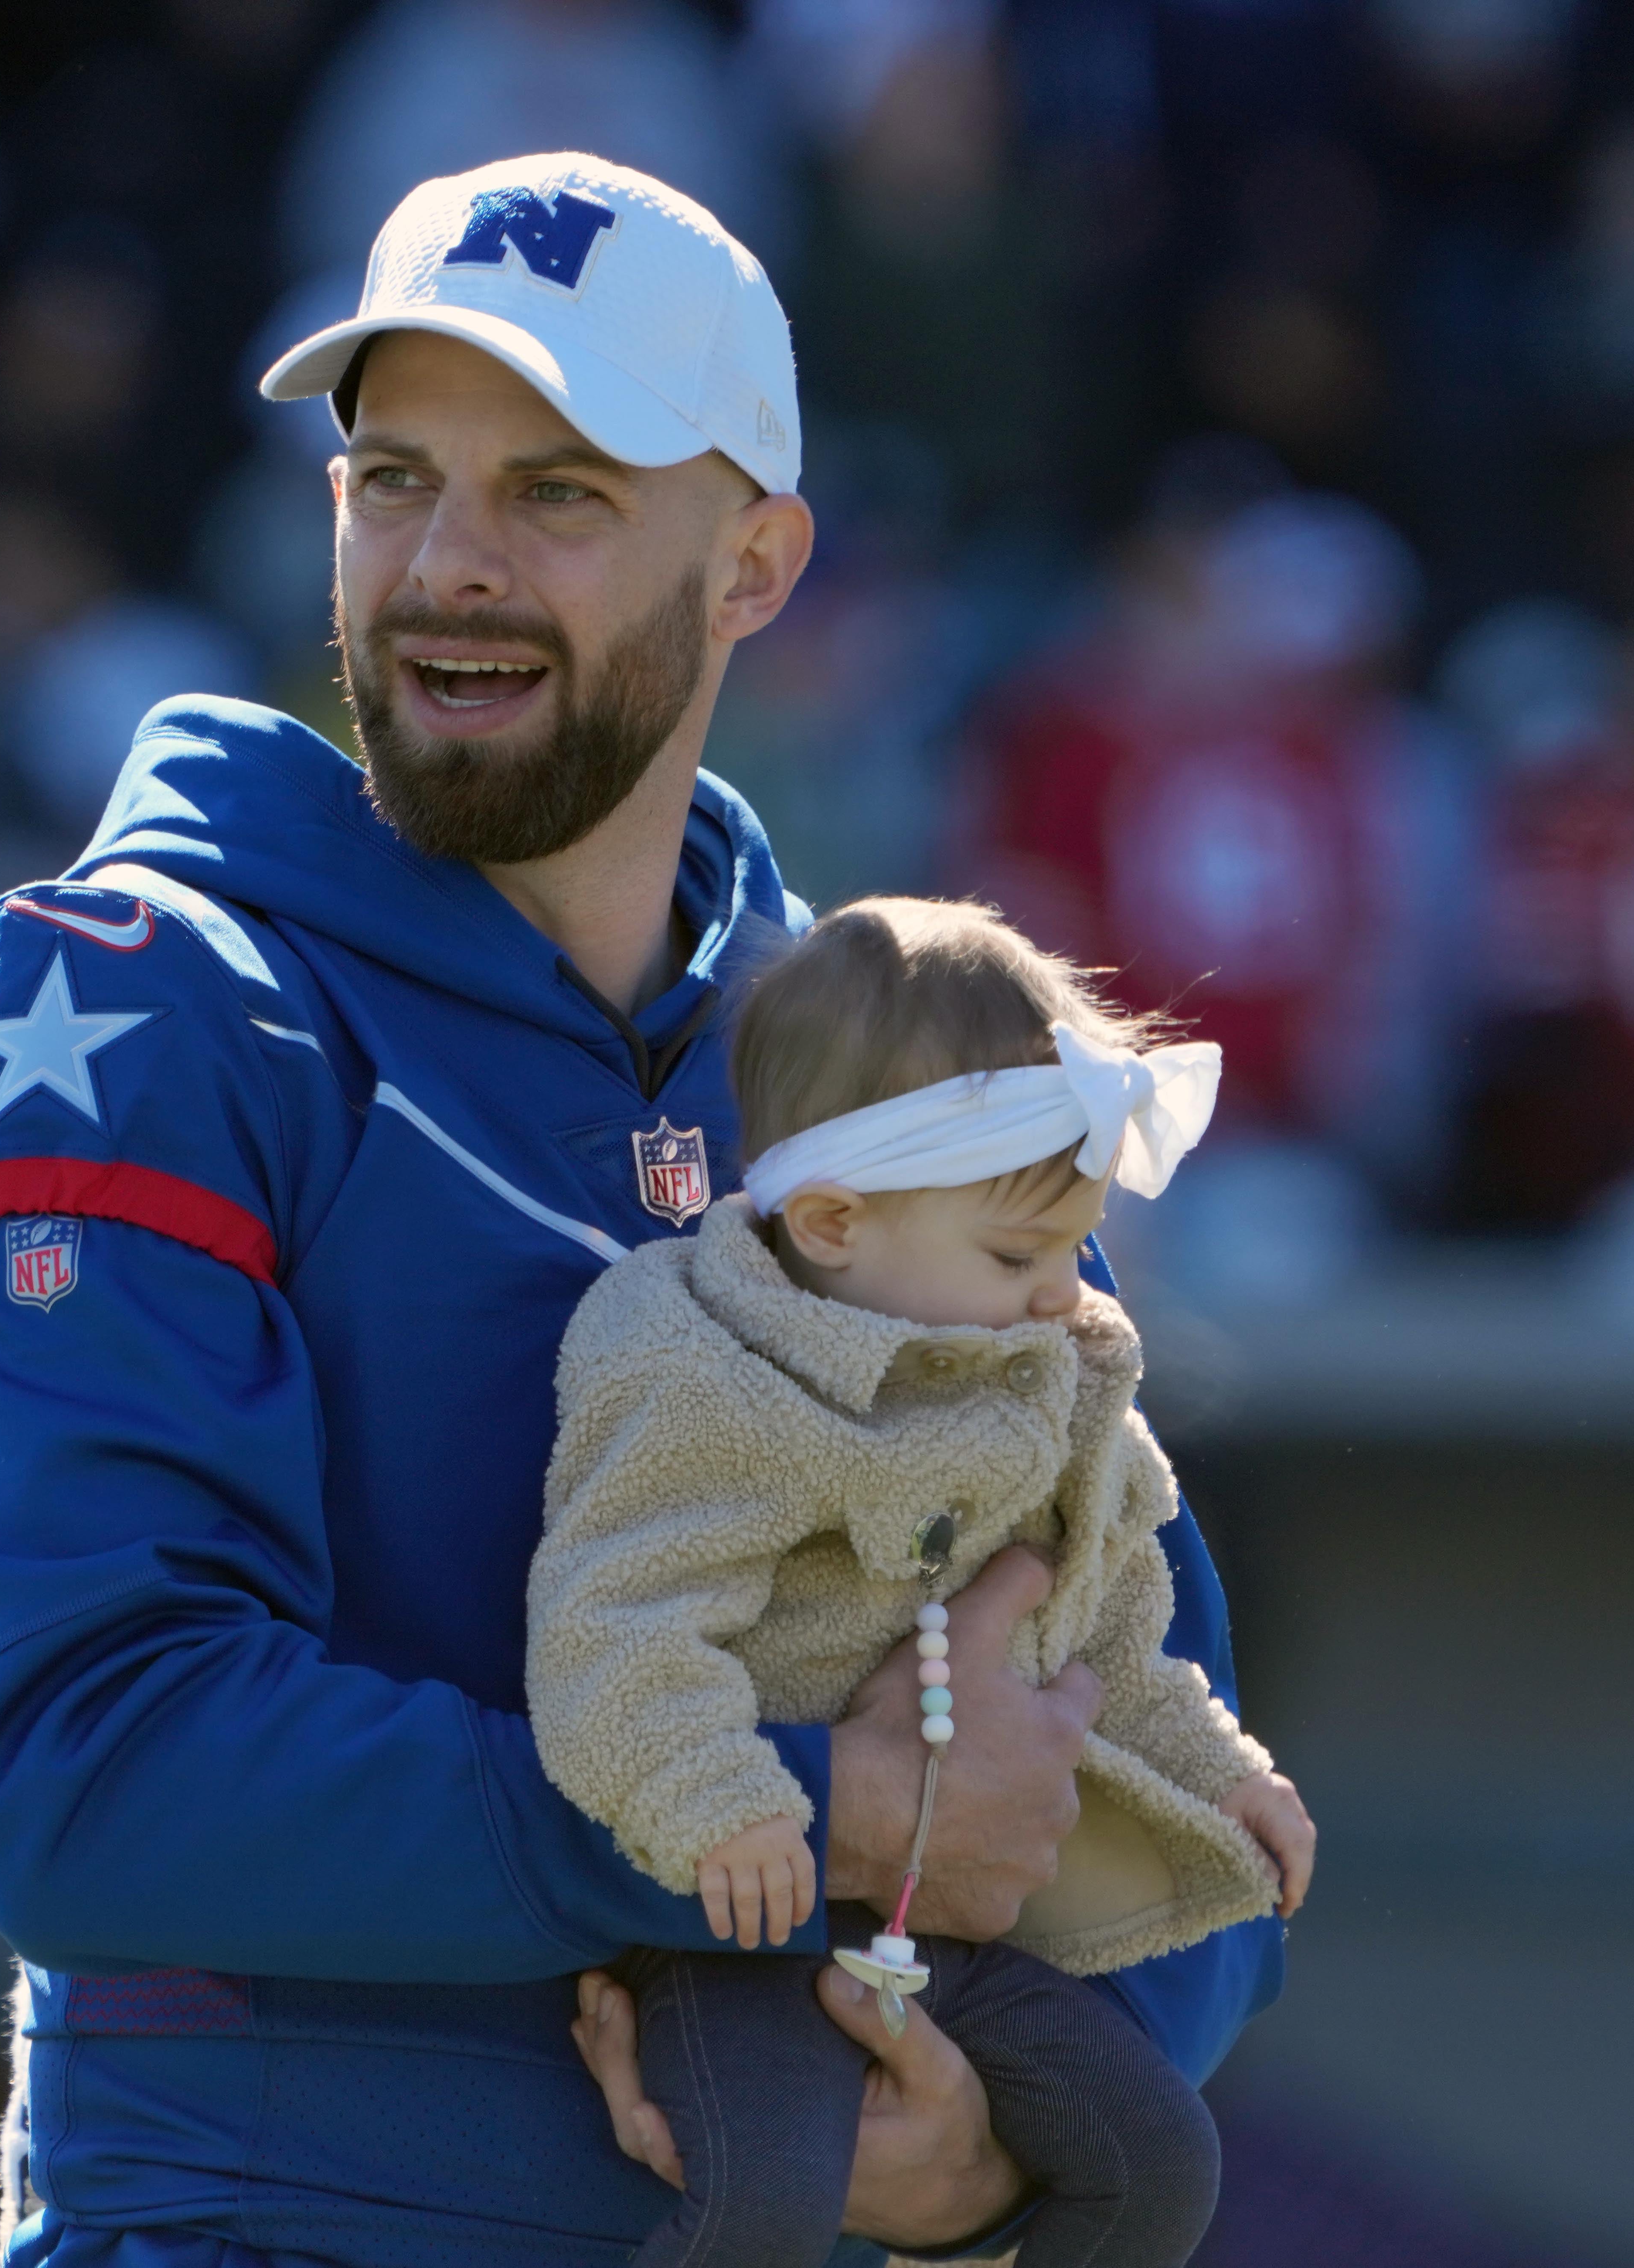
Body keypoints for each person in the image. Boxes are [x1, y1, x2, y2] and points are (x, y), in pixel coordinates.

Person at [0, 152, 1284, 2267]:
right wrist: (803, 1816)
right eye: (393, 477)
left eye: (562, 493)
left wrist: (996, 2133)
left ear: (759, 563)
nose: (447, 564)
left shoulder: (871, 1051)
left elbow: (1127, 1678)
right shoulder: (148, 1000)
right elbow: (87, 1767)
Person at [526, 897, 1315, 2268]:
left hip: (942, 1928)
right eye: (1016, 1256)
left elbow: (1111, 1635)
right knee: (759, 2198)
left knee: (1155, 2161)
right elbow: (613, 1622)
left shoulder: (1054, 1377)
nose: (1061, 1293)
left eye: (1071, 1248)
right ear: (831, 1220)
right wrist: (729, 1804)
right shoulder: (709, 1374)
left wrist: (1219, 1772)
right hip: (733, 1911)